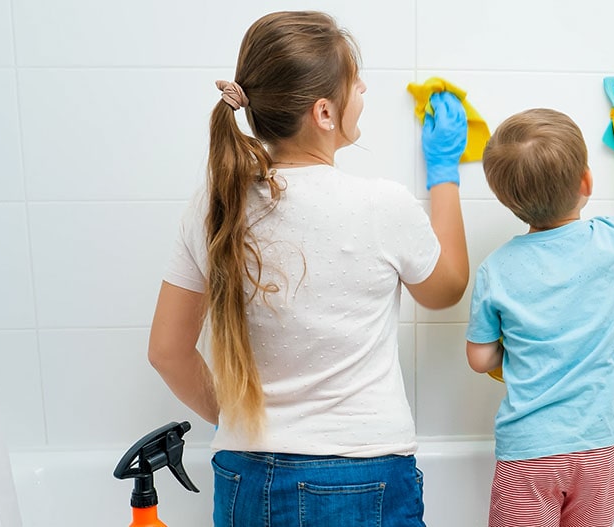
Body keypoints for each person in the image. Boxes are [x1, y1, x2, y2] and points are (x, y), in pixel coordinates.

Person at [147, 11, 469, 527]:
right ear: (324, 112)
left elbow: (166, 351)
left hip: (242, 475)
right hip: (360, 474)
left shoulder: (216, 202)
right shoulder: (382, 205)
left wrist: (237, 420)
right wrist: (445, 175)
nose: (362, 88)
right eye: (353, 82)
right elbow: (447, 288)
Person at [465, 106, 614, 527]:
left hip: (529, 451)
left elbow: (479, 358)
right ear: (586, 182)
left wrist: (513, 354)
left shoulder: (496, 269)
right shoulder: (613, 241)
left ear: (507, 200)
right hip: (601, 445)